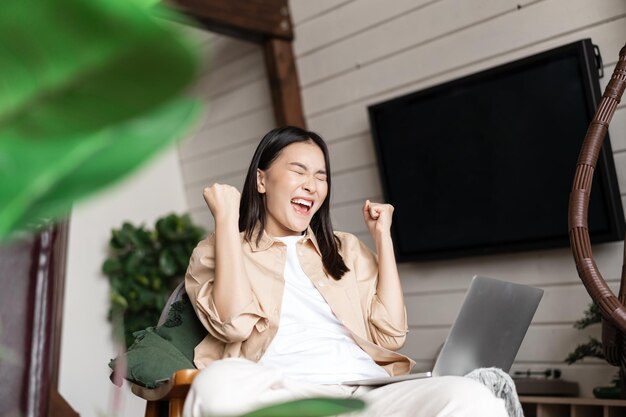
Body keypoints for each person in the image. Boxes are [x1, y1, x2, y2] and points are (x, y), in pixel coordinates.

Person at [182, 126, 508, 417]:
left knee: (472, 397)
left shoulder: (344, 248)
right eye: (299, 172)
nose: (312, 186)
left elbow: (390, 335)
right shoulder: (217, 249)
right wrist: (225, 220)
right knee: (215, 385)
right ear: (262, 180)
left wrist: (383, 238)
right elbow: (233, 325)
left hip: (367, 392)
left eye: (321, 177)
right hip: (288, 393)